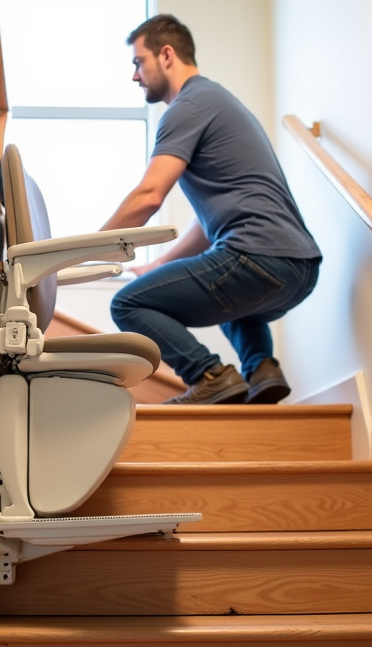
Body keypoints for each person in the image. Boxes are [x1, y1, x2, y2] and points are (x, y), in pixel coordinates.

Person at [103, 14, 322, 405]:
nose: (135, 75)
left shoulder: (187, 107)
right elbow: (207, 227)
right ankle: (261, 369)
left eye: (138, 62)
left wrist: (87, 248)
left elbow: (149, 196)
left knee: (128, 303)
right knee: (230, 289)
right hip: (299, 267)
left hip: (258, 257)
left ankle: (209, 375)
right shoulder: (217, 100)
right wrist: (158, 265)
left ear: (166, 54)